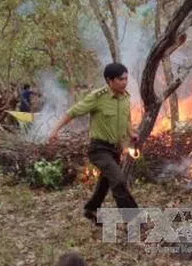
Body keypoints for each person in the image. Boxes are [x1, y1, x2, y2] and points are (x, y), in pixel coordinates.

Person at [49, 63, 139, 225]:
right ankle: (133, 221)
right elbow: (73, 112)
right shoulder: (98, 97)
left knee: (106, 182)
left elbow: (126, 119)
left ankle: (91, 209)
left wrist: (131, 132)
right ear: (109, 80)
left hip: (115, 149)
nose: (125, 82)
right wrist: (55, 130)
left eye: (126, 78)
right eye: (120, 79)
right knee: (118, 180)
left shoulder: (125, 97)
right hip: (99, 149)